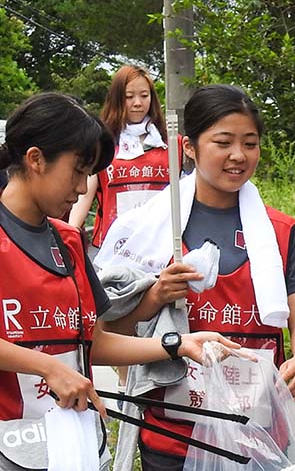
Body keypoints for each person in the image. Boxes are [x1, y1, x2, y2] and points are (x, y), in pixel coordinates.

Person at [94, 84, 295, 471]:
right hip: (172, 429)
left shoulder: (281, 233)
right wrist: (154, 296)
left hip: (256, 426)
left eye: (250, 143)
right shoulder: (147, 231)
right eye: (223, 142)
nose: (238, 155)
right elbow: (107, 332)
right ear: (189, 147)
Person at [0, 92, 237, 469]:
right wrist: (46, 367)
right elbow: (54, 360)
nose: (82, 189)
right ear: (35, 159)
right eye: (78, 170)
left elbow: (88, 342)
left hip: (72, 440)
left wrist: (178, 343)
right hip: (9, 444)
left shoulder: (69, 242)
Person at [69, 65, 174, 250]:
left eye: (144, 95)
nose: (137, 103)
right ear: (117, 99)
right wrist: (68, 235)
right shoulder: (101, 143)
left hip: (160, 247)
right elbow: (84, 196)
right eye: (129, 96)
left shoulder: (172, 143)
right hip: (113, 248)